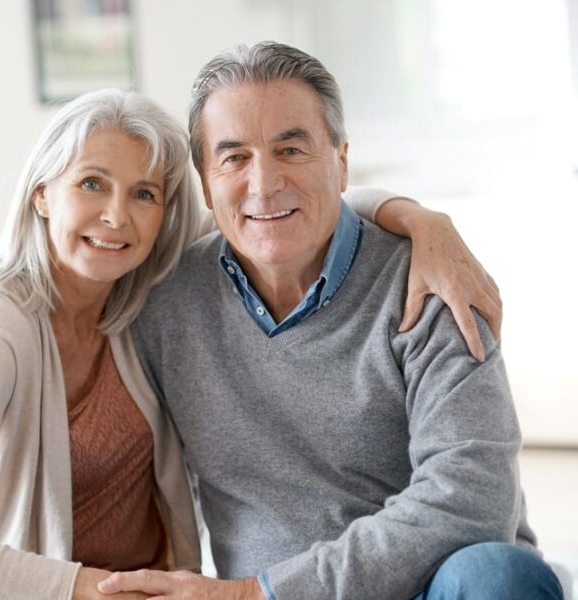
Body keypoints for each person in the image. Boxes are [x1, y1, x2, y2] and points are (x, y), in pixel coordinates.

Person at [0, 89, 503, 599]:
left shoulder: (146, 285)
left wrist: (419, 219)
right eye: (91, 183)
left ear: (167, 211)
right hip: (75, 589)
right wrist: (87, 589)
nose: (117, 216)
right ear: (41, 192)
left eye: (143, 194)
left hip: (171, 587)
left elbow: (278, 208)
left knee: (501, 576)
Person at [97, 43, 564, 600]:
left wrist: (259, 593)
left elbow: (475, 498)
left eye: (291, 149)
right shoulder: (164, 302)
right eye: (235, 158)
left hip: (416, 588)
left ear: (341, 163)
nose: (264, 183)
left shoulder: (431, 282)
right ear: (205, 183)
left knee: (498, 578)